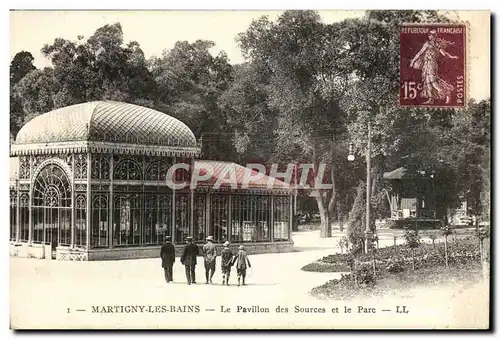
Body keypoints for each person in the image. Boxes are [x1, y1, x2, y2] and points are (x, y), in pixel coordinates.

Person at [410, 29, 458, 105]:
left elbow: (444, 54)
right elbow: (420, 53)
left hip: (432, 65)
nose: (429, 36)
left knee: (433, 81)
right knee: (427, 82)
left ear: (434, 36)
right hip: (426, 64)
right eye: (429, 35)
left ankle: (447, 93)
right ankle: (430, 99)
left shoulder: (437, 45)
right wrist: (413, 61)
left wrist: (452, 57)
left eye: (431, 35)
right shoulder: (427, 44)